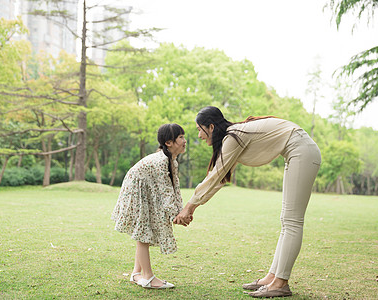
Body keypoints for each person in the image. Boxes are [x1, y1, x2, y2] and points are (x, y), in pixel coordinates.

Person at [174, 106, 321, 298]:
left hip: (302, 151)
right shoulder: (234, 137)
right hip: (297, 151)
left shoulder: (233, 137)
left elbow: (215, 177)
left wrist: (189, 207)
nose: (199, 136)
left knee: (292, 221)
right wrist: (191, 207)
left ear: (210, 127)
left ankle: (280, 283)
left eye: (199, 130)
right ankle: (273, 277)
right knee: (287, 220)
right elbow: (220, 178)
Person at [111, 123, 186, 289]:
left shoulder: (171, 161)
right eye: (180, 137)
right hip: (137, 190)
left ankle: (137, 273)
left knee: (144, 230)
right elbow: (165, 191)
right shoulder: (161, 161)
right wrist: (176, 215)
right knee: (144, 230)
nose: (184, 140)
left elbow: (175, 189)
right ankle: (147, 277)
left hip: (146, 189)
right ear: (169, 142)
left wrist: (181, 212)